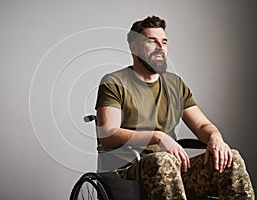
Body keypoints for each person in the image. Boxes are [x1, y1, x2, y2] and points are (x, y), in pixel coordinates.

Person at [95, 16, 255, 199]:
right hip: (130, 172)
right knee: (163, 160)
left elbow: (202, 126)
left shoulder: (174, 84)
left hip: (173, 170)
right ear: (134, 47)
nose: (160, 47)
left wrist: (215, 137)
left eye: (164, 42)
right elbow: (107, 134)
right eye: (152, 41)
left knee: (231, 157)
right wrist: (158, 136)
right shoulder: (114, 82)